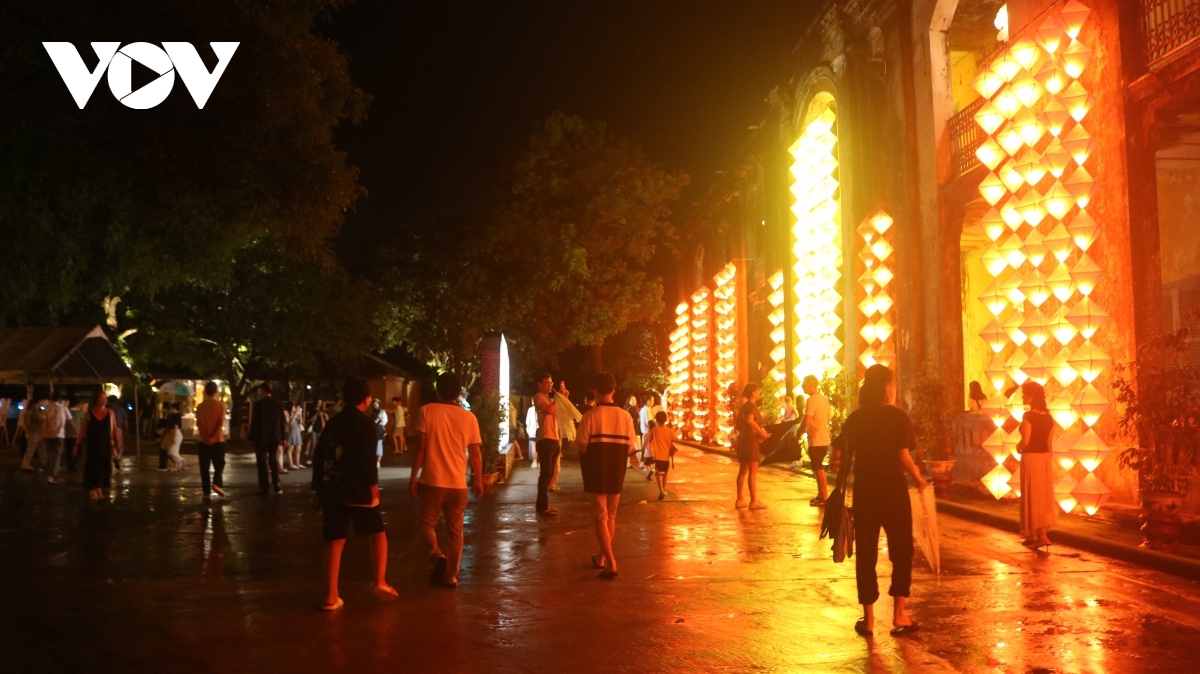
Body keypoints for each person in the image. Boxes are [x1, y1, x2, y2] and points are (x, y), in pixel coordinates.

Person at [834, 364, 927, 637]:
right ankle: (900, 615)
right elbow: (904, 458)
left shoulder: (856, 418)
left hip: (865, 493)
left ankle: (869, 619)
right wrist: (920, 480)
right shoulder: (898, 418)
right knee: (901, 551)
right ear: (886, 386)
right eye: (893, 381)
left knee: (866, 554)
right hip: (893, 492)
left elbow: (839, 453)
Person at [311, 377, 398, 610]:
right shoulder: (365, 424)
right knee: (377, 533)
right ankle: (379, 581)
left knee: (335, 539)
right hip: (358, 488)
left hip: (332, 487)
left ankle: (331, 595)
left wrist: (317, 488)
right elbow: (367, 460)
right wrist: (373, 488)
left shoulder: (333, 422)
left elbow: (319, 457)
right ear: (367, 399)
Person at [411, 372, 484, 588]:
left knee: (426, 523)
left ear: (438, 390)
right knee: (455, 531)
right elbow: (476, 453)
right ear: (459, 392)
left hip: (432, 481)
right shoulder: (469, 417)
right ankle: (451, 574)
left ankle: (435, 553)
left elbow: (421, 448)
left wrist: (413, 476)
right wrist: (478, 479)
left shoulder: (427, 411)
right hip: (458, 483)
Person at [578, 372, 636, 579]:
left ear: (595, 391)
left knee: (600, 515)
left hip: (595, 470)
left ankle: (611, 562)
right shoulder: (626, 416)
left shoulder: (590, 416)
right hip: (617, 469)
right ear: (613, 390)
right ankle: (602, 557)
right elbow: (630, 447)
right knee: (611, 515)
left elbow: (583, 446)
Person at [1016, 380, 1056, 549]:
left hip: (1031, 458)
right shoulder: (1049, 418)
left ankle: (1041, 535)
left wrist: (1018, 447)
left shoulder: (1028, 416)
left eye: (1024, 394)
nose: (1022, 396)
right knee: (1042, 495)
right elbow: (1049, 443)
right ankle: (1035, 534)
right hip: (1044, 458)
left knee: (1031, 494)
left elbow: (1025, 441)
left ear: (1032, 396)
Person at [75, 390, 120, 501]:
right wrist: (77, 444)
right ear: (96, 399)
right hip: (92, 445)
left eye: (105, 398)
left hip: (105, 444)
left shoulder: (110, 413)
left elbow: (114, 429)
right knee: (94, 466)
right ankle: (96, 489)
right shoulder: (89, 413)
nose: (104, 400)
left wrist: (117, 443)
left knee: (102, 466)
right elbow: (83, 430)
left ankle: (97, 488)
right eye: (101, 398)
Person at [735, 384, 771, 509]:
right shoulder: (752, 406)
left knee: (743, 471)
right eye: (758, 390)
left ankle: (740, 499)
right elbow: (751, 420)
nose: (759, 392)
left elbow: (740, 425)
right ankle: (754, 500)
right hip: (751, 440)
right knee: (753, 471)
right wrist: (761, 432)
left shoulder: (744, 407)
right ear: (753, 392)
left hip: (743, 439)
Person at [248, 382, 287, 495]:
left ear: (263, 390)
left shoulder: (259, 404)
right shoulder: (279, 404)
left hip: (261, 436)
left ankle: (264, 486)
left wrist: (251, 436)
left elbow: (255, 422)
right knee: (273, 459)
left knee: (261, 461)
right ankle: (276, 484)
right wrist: (283, 437)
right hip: (274, 436)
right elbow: (282, 422)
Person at [532, 373, 560, 516]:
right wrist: (560, 398)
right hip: (545, 439)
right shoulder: (539, 397)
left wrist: (562, 399)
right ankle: (541, 505)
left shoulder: (550, 399)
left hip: (554, 439)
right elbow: (548, 410)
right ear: (540, 384)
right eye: (547, 382)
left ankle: (544, 503)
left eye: (551, 382)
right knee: (545, 473)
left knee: (549, 474)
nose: (550, 385)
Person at [803, 375, 832, 507]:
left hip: (816, 438)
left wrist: (799, 432)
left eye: (804, 384)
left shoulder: (811, 400)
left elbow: (807, 419)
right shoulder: (824, 400)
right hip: (824, 437)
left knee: (818, 468)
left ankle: (825, 496)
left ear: (810, 385)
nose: (803, 386)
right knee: (817, 467)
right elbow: (828, 418)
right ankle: (821, 495)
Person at [196, 382, 227, 501]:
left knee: (204, 467)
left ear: (205, 391)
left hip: (203, 441)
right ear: (216, 391)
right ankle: (216, 483)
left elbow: (199, 423)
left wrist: (206, 436)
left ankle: (206, 493)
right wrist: (213, 437)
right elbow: (220, 423)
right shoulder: (221, 406)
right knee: (220, 463)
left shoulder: (200, 406)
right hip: (218, 440)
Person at [552, 381, 582, 491]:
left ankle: (553, 483)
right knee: (554, 460)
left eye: (564, 387)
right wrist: (561, 397)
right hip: (551, 434)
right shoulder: (553, 402)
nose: (564, 390)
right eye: (562, 388)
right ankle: (552, 484)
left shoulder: (560, 401)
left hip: (557, 434)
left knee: (556, 460)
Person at [42, 392, 75, 484]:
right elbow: (71, 420)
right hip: (59, 435)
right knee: (57, 456)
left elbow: (43, 422)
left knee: (49, 455)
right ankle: (53, 475)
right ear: (60, 400)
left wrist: (41, 434)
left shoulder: (46, 409)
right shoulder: (63, 409)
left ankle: (49, 474)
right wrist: (75, 430)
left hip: (48, 435)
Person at [643, 410, 676, 500]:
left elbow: (650, 440)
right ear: (665, 419)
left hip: (657, 456)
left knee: (658, 474)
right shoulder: (670, 431)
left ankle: (661, 490)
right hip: (666, 457)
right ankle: (663, 490)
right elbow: (676, 439)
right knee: (665, 474)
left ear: (656, 420)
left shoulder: (654, 430)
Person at [20, 396, 46, 472]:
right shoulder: (34, 410)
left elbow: (24, 422)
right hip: (34, 432)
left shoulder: (29, 410)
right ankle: (25, 465)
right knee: (31, 449)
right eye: (42, 401)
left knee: (40, 448)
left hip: (31, 432)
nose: (43, 402)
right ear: (38, 401)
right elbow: (40, 420)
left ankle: (45, 462)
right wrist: (44, 418)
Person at [107, 393, 130, 472]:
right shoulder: (121, 409)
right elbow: (125, 421)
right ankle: (118, 457)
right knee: (119, 443)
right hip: (118, 428)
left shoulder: (107, 409)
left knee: (110, 443)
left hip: (108, 428)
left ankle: (112, 457)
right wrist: (126, 430)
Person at [164, 402, 185, 471]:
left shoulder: (177, 416)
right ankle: (177, 466)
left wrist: (174, 437)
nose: (170, 409)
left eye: (171, 408)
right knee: (175, 451)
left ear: (174, 408)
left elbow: (176, 427)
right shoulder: (173, 415)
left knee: (171, 451)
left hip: (176, 433)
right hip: (173, 432)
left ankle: (181, 460)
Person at [65, 397, 83, 472]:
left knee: (69, 450)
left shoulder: (66, 411)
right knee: (79, 451)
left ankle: (70, 464)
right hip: (77, 435)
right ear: (78, 404)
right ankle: (73, 464)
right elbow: (83, 423)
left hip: (66, 434)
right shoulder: (80, 413)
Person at [284, 402, 304, 470]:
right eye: (293, 407)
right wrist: (295, 414)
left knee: (298, 449)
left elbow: (301, 422)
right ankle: (291, 464)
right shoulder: (287, 414)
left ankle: (297, 463)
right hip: (291, 432)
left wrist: (300, 415)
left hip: (297, 431)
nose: (294, 408)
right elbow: (289, 423)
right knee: (290, 449)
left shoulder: (296, 414)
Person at [306, 400, 327, 466]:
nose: (319, 404)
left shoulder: (322, 411)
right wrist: (316, 415)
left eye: (320, 403)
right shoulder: (312, 410)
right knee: (313, 444)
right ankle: (310, 458)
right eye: (318, 403)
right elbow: (309, 420)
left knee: (319, 445)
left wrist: (321, 416)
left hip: (320, 428)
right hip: (314, 428)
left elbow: (323, 421)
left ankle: (318, 459)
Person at [624, 395, 642, 469]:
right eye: (632, 400)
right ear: (628, 401)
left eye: (635, 400)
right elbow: (639, 419)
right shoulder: (633, 409)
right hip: (635, 431)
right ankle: (642, 463)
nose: (634, 401)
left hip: (628, 431)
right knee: (638, 447)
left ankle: (627, 464)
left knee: (629, 448)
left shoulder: (627, 409)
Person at [370, 399, 387, 469]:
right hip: (373, 430)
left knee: (379, 445)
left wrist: (377, 423)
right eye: (374, 405)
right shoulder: (373, 413)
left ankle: (378, 462)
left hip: (379, 431)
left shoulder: (382, 412)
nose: (375, 406)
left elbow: (384, 422)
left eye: (376, 404)